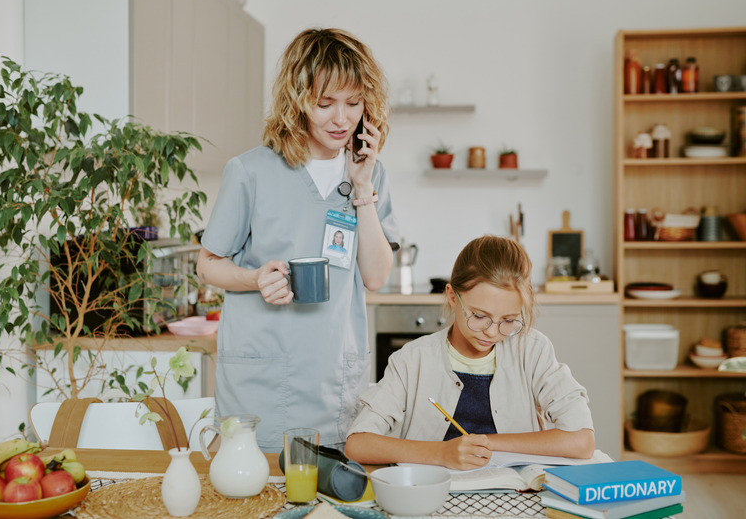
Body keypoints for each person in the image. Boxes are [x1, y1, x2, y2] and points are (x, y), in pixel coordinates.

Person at [196, 28, 399, 452]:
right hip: (263, 380)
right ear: (298, 98)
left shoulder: (370, 173)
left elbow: (377, 277)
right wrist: (254, 279)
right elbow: (208, 263)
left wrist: (361, 187)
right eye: (325, 104)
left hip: (335, 381)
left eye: (353, 103)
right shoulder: (250, 171)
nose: (341, 119)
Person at [345, 235, 595, 470]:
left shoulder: (532, 350)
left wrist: (484, 443)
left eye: (508, 320)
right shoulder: (413, 360)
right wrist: (442, 453)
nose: (492, 332)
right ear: (453, 296)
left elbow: (582, 441)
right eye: (479, 316)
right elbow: (358, 445)